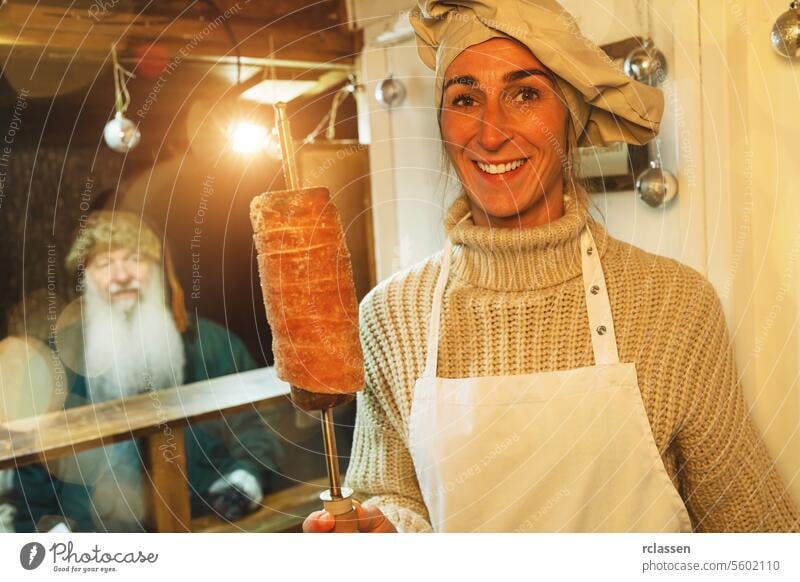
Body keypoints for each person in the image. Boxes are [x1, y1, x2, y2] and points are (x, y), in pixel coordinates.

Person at [304, 0, 800, 533]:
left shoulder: (674, 306)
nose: (490, 133)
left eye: (525, 94)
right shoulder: (390, 315)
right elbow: (394, 497)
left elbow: (755, 533)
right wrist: (383, 530)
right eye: (466, 97)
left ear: (571, 117)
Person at [12, 211, 281, 532]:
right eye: (105, 264)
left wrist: (246, 474)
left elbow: (255, 427)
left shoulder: (213, 345)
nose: (122, 275)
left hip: (203, 524)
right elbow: (32, 470)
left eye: (135, 258)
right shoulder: (54, 363)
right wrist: (51, 529)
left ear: (158, 269)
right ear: (86, 279)